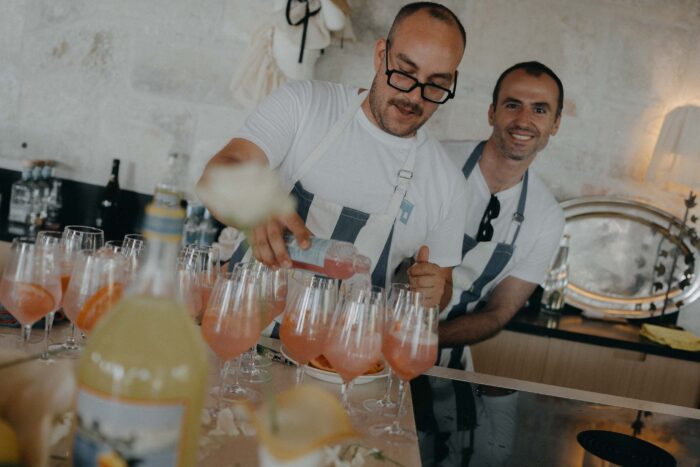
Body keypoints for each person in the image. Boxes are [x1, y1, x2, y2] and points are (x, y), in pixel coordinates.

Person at [197, 2, 469, 321]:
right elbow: (216, 176)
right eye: (405, 72)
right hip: (240, 331)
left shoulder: (448, 185)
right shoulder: (304, 103)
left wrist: (435, 291)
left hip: (347, 348)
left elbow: (443, 285)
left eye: (436, 84)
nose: (414, 96)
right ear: (381, 55)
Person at [414, 61, 566, 466]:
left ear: (555, 124)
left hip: (446, 360)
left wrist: (426, 342)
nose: (524, 119)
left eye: (540, 109)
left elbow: (499, 312)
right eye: (512, 104)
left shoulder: (547, 216)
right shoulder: (433, 161)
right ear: (491, 112)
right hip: (374, 336)